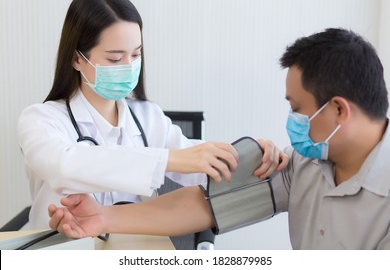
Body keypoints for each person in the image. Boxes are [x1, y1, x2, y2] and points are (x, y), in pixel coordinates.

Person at [49, 28, 390, 249]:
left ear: (339, 111)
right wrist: (105, 217)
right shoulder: (304, 164)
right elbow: (208, 205)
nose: (293, 122)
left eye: (298, 109)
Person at [18, 0, 284, 230]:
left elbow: (203, 168)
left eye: (135, 55)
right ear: (77, 58)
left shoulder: (149, 117)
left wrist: (254, 155)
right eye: (115, 58)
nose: (129, 65)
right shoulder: (40, 119)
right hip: (59, 251)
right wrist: (169, 160)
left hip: (130, 248)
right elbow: (64, 167)